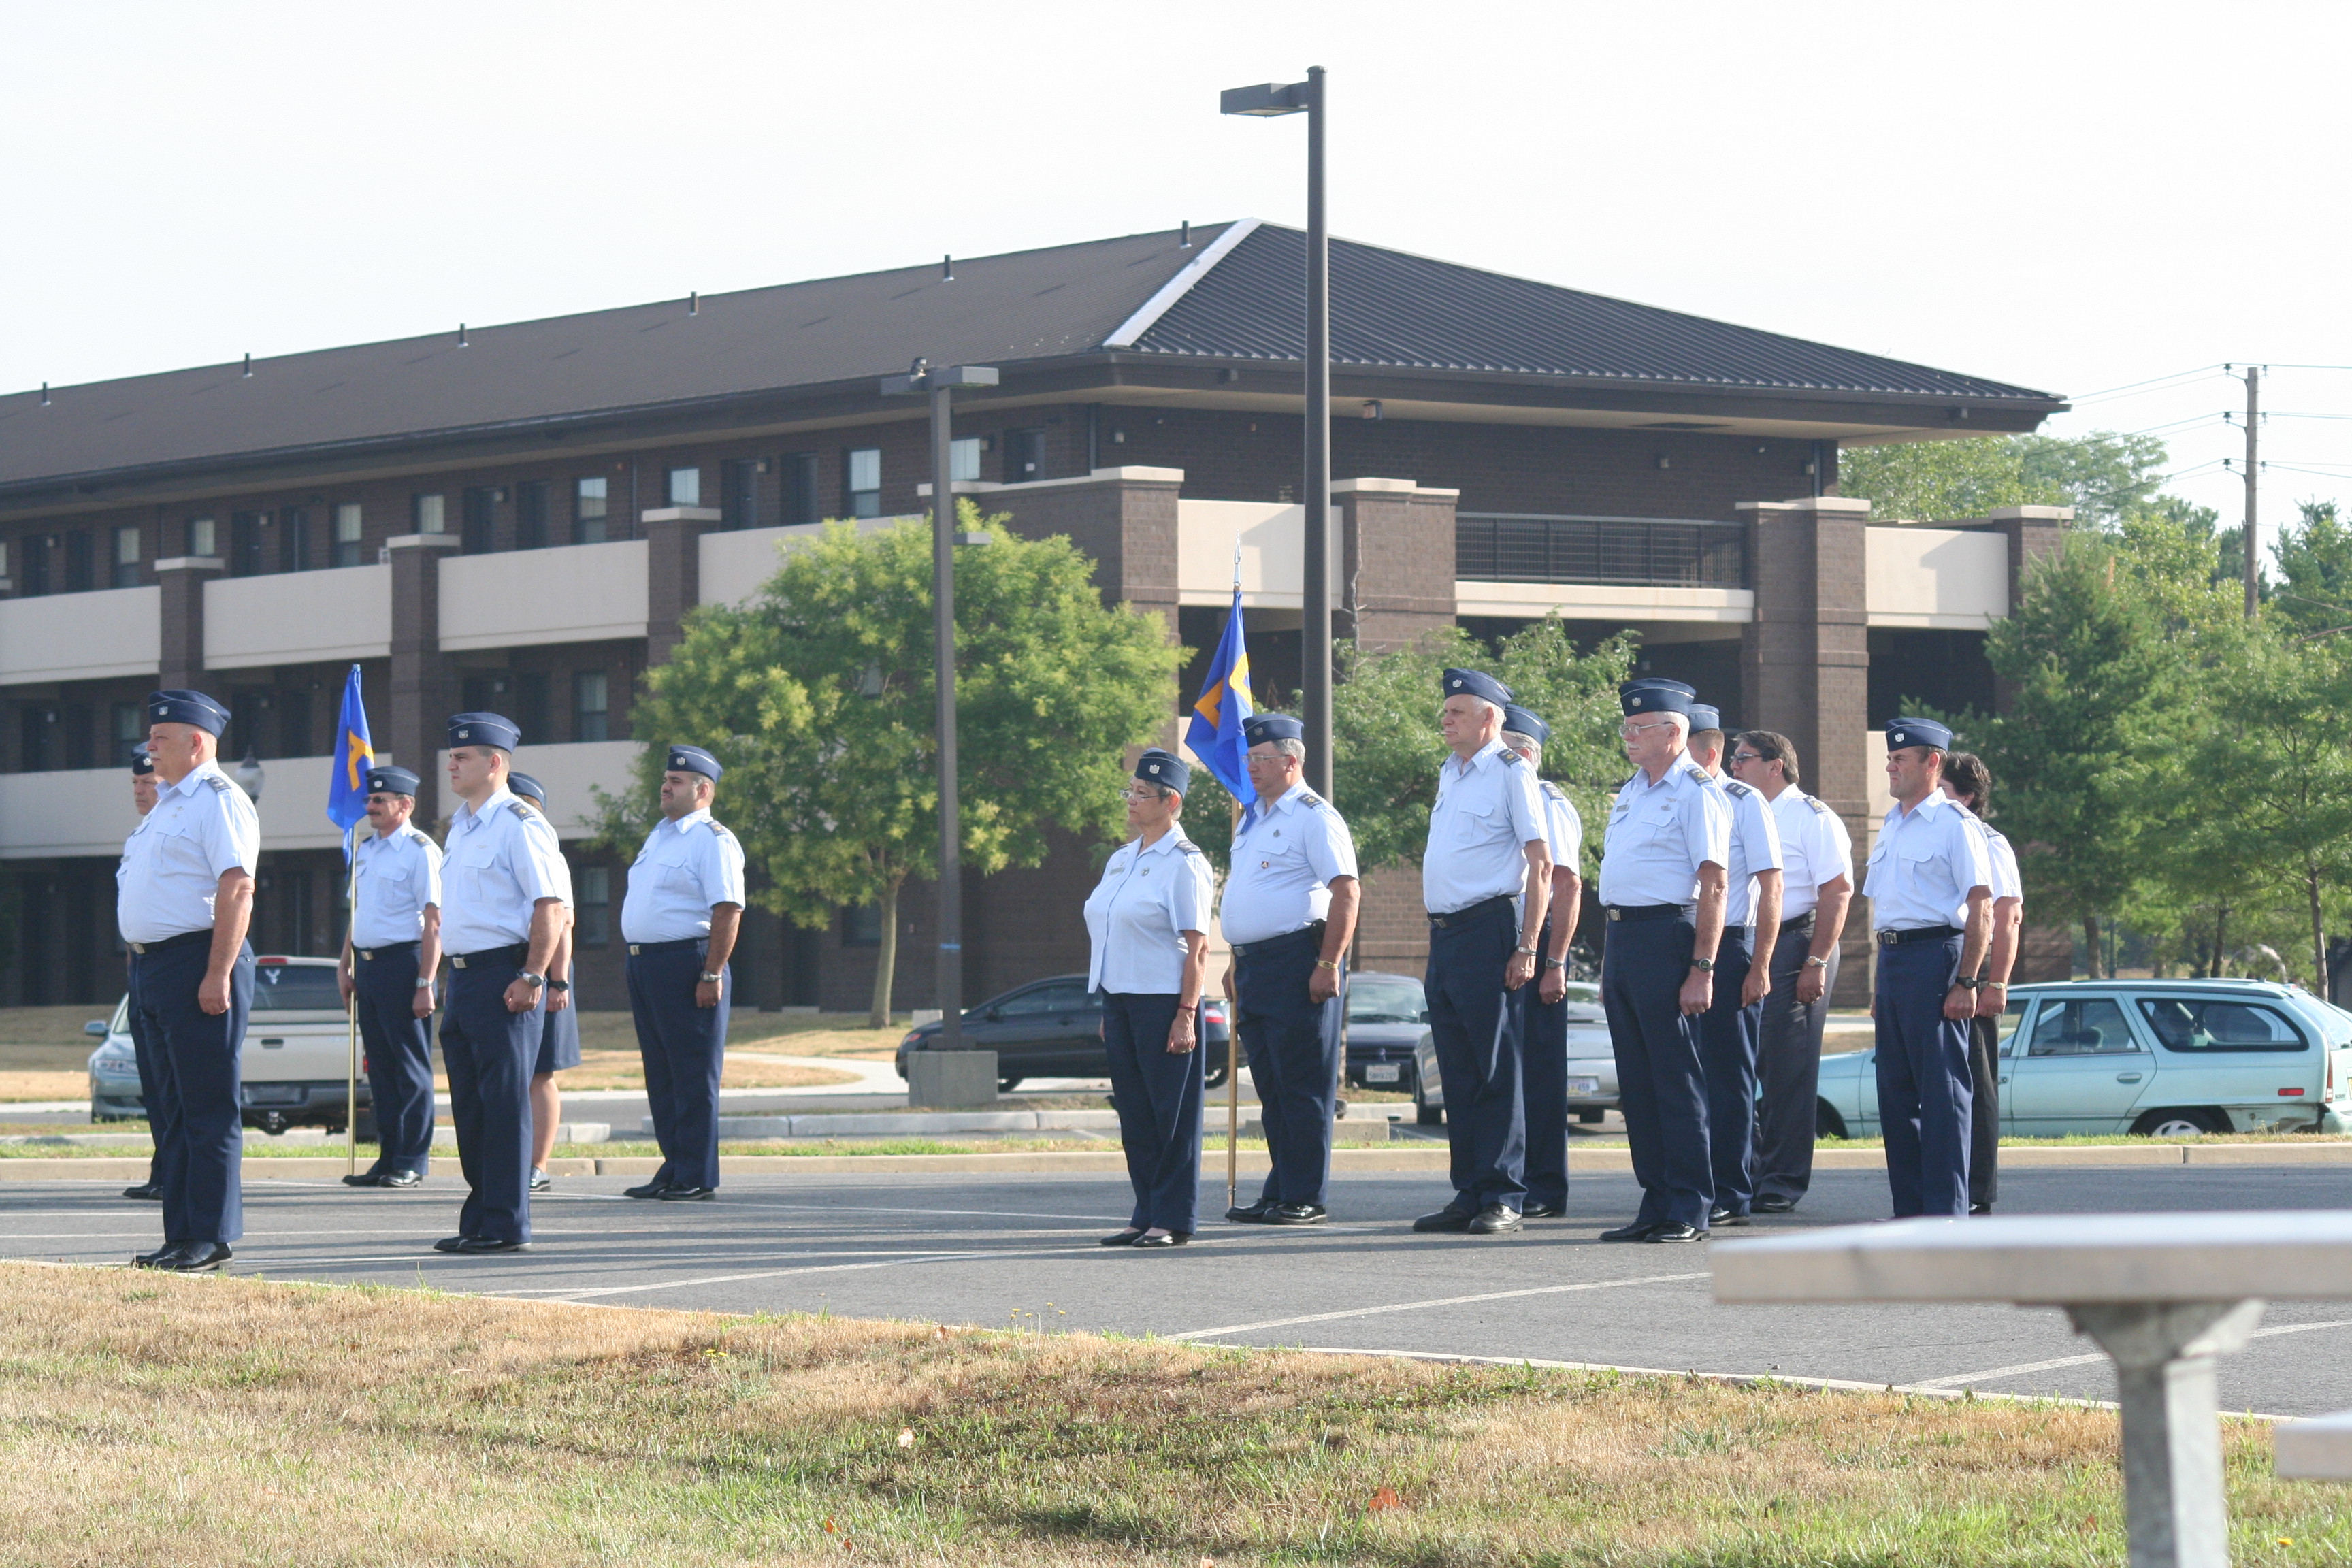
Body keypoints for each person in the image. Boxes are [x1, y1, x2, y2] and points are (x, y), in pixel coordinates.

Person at [118, 690, 258, 1272]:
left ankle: (210, 1235)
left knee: (206, 1107)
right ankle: (180, 1234)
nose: (150, 746)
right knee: (171, 1112)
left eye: (161, 737)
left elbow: (238, 887)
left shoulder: (219, 799)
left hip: (198, 960)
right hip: (153, 968)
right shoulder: (167, 805)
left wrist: (217, 971)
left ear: (197, 743)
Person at [1413, 669, 1552, 1237]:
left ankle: (1503, 1193)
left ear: (1489, 718)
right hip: (1445, 934)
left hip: (1488, 928)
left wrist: (1528, 946)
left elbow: (1541, 865)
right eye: (1446, 711)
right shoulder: (1451, 772)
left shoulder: (1511, 772)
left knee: (1495, 1068)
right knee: (1458, 1068)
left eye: (1457, 712)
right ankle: (1468, 1190)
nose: (1445, 720)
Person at [1595, 680, 1729, 1243]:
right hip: (1624, 938)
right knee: (1639, 1082)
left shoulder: (1697, 792)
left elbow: (1714, 884)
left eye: (1638, 727)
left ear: (1674, 732)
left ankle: (1690, 1206)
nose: (1627, 736)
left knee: (1676, 1080)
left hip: (1668, 937)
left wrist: (1703, 968)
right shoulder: (1632, 791)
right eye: (1626, 726)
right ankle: (1655, 1200)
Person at [432, 713, 570, 1254]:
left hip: (505, 974)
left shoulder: (520, 824)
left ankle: (507, 1224)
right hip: (465, 977)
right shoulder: (462, 828)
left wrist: (534, 974)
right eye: (451, 756)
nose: (452, 764)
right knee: (472, 1106)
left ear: (494, 762)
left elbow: (550, 906)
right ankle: (481, 1216)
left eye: (462, 757)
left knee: (505, 1105)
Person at [1219, 714, 1360, 1226]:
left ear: (1291, 761)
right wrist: (1235, 959)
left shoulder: (1314, 816)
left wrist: (1328, 962)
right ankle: (1280, 1189)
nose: (1251, 768)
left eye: (1261, 759)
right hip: (1255, 966)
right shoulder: (1252, 818)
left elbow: (1347, 892)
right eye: (1249, 759)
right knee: (1272, 1088)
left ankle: (1305, 1194)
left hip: (1297, 961)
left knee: (1302, 1086)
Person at [1083, 749, 1214, 1247]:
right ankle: (1145, 1211)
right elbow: (1110, 929)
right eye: (1131, 791)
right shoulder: (1121, 858)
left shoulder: (1185, 863)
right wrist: (1109, 1001)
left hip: (1164, 1002)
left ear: (1171, 802)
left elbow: (1198, 949)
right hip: (1120, 1000)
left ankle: (1173, 1218)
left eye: (1142, 794)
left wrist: (1186, 1013)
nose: (1132, 800)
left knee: (1170, 1116)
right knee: (1135, 1115)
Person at [1863, 717, 1993, 1219]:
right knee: (1895, 1095)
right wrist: (1879, 981)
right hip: (1894, 960)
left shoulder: (1956, 825)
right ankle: (1911, 1211)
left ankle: (1946, 1212)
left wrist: (1967, 981)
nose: (1890, 768)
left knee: (1943, 1095)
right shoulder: (1893, 822)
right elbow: (1889, 911)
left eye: (1900, 759)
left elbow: (1982, 908)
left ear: (1932, 762)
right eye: (1889, 759)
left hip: (1936, 958)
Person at [1727, 730, 1854, 1214]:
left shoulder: (1811, 817)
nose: (1734, 766)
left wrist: (1815, 961)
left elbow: (1837, 891)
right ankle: (1747, 1171)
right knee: (1743, 1062)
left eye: (1743, 758)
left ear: (1775, 765)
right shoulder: (1739, 809)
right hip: (1746, 940)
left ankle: (1781, 1180)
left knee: (1786, 1069)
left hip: (1796, 942)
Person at [617, 747, 745, 1203]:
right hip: (645, 964)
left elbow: (728, 909)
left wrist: (712, 973)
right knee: (662, 1073)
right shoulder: (660, 836)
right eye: (666, 779)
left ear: (703, 790)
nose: (665, 787)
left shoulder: (713, 840)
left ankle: (696, 1173)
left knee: (692, 1072)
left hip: (687, 962)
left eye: (676, 781)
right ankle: (673, 1166)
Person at [1683, 703, 1783, 1228]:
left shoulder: (1744, 802)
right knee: (1687, 1077)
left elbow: (1772, 886)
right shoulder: (1675, 796)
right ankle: (1693, 1184)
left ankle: (1731, 1190)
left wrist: (1760, 965)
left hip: (1731, 947)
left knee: (1728, 1077)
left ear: (1708, 752)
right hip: (1683, 945)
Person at [335, 765, 442, 1190]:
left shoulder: (420, 851)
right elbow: (358, 913)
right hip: (368, 967)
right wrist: (345, 965)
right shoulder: (367, 850)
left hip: (404, 965)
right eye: (369, 800)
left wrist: (425, 982)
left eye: (380, 800)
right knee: (380, 1068)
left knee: (409, 1067)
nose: (370, 806)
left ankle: (412, 1161)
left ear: (406, 805)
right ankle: (388, 1157)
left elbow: (434, 922)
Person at [1499, 704, 1582, 1220]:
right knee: (1504, 1069)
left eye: (1504, 748)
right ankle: (1506, 1177)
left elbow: (1566, 884)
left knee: (1538, 1070)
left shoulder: (1548, 801)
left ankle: (1545, 1185)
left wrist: (1555, 962)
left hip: (1540, 939)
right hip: (1501, 936)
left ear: (1526, 754)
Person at [1940, 751, 2023, 1216]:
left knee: (1975, 1081)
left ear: (1968, 797)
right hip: (1935, 964)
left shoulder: (1990, 842)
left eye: (1944, 790)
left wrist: (1997, 984)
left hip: (1974, 969)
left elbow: (2007, 917)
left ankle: (1976, 1190)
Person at [508, 772, 579, 1195]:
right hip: (515, 969)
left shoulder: (545, 850)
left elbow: (562, 923)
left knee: (540, 1073)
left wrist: (558, 982)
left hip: (547, 973)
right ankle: (515, 1162)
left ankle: (538, 1164)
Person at [120, 745, 172, 1204]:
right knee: (154, 1082)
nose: (140, 790)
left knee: (174, 1082)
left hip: (173, 963)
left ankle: (176, 1172)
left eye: (148, 782)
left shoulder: (171, 830)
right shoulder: (138, 836)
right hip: (142, 967)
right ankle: (164, 1168)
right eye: (136, 782)